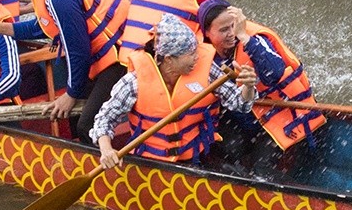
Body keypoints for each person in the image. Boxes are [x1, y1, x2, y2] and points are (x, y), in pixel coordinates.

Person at [0, 0, 131, 140]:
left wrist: (71, 94)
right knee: (74, 119)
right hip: (104, 56)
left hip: (121, 58)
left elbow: (78, 50)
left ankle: (109, 166)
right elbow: (46, 26)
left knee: (88, 125)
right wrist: (2, 28)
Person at [90, 14, 254, 169]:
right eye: (190, 54)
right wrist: (106, 149)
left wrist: (248, 87)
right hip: (150, 163)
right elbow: (104, 120)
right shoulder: (134, 82)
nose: (197, 58)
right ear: (168, 58)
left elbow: (240, 104)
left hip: (196, 156)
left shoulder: (207, 70)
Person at [194, 0, 325, 153]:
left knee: (262, 168)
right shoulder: (204, 57)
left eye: (234, 26)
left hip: (277, 117)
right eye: (223, 30)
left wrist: (244, 37)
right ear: (207, 33)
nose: (231, 34)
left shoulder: (253, 39)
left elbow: (275, 74)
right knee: (228, 148)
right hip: (242, 117)